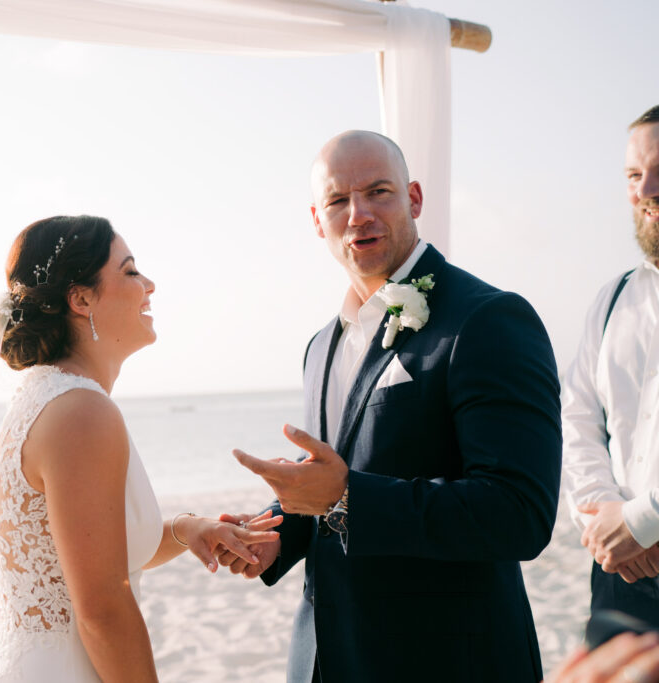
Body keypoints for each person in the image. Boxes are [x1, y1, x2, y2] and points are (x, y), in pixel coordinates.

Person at [219, 130, 562, 682]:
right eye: (337, 200)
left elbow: (519, 513)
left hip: (445, 662)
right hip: (327, 659)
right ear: (317, 220)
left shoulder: (488, 319)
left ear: (414, 199)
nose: (358, 214)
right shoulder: (319, 346)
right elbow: (341, 475)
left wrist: (345, 496)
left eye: (378, 191)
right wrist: (275, 535)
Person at [0, 215, 280, 682]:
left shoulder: (45, 398)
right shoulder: (80, 412)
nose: (148, 285)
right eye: (131, 271)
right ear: (81, 299)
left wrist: (186, 529)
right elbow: (102, 607)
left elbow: (86, 552)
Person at [563, 105, 659, 625]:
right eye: (633, 174)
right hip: (617, 576)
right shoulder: (611, 298)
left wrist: (643, 523)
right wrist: (605, 519)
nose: (646, 190)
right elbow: (578, 417)